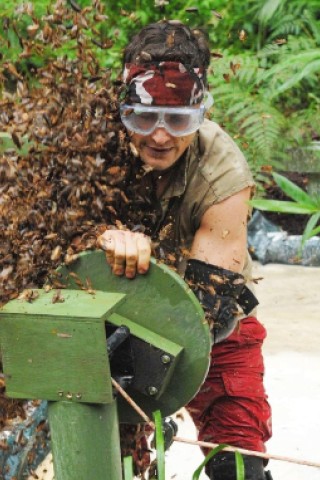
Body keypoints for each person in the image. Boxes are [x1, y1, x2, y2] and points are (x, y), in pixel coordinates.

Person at [98, 20, 273, 480]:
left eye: (177, 121)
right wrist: (99, 238)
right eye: (143, 117)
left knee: (239, 465)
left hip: (213, 325)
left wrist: (161, 388)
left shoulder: (223, 173)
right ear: (122, 105)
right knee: (102, 456)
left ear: (200, 113)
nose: (159, 137)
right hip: (110, 313)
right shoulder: (89, 142)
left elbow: (204, 315)